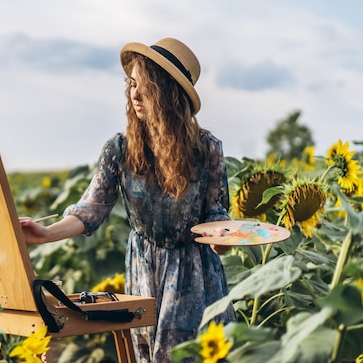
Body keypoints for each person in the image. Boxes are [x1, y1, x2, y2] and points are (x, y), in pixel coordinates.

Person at [19, 37, 236, 362]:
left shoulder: (206, 150)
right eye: (131, 83)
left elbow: (217, 215)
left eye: (144, 85)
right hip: (144, 270)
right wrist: (47, 233)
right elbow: (91, 208)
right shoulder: (120, 150)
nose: (134, 94)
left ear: (167, 93)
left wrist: (224, 240)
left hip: (194, 276)